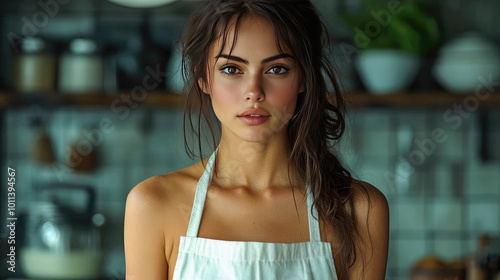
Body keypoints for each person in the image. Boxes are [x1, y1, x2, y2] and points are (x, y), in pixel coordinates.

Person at [124, 0, 389, 279]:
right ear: (203, 77)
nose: (254, 92)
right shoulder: (152, 204)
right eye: (231, 69)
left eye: (276, 69)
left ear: (304, 78)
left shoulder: (360, 210)